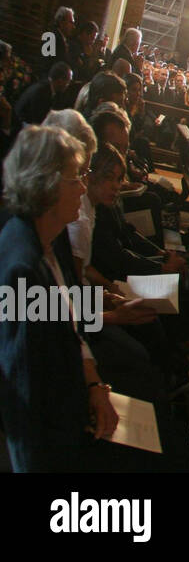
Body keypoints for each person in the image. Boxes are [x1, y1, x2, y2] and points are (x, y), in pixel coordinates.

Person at [0, 125, 119, 471]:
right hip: (56, 440)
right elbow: (23, 390)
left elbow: (66, 327)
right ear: (46, 185)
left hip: (76, 399)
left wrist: (94, 385)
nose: (83, 188)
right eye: (75, 179)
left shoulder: (48, 239)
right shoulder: (22, 268)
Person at [15, 62, 73, 127]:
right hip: (23, 125)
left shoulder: (48, 87)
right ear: (60, 80)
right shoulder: (41, 92)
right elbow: (38, 120)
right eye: (68, 81)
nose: (68, 85)